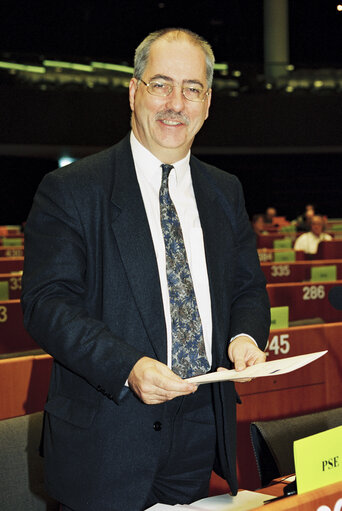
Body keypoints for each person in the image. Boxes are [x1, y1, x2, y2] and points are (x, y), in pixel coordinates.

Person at [21, 28, 270, 511]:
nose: (176, 102)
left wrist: (244, 337)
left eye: (192, 88)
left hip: (200, 428)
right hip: (105, 437)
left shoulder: (226, 191)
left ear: (208, 101)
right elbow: (47, 304)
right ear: (134, 92)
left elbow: (247, 288)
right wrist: (128, 367)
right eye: (161, 84)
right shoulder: (70, 189)